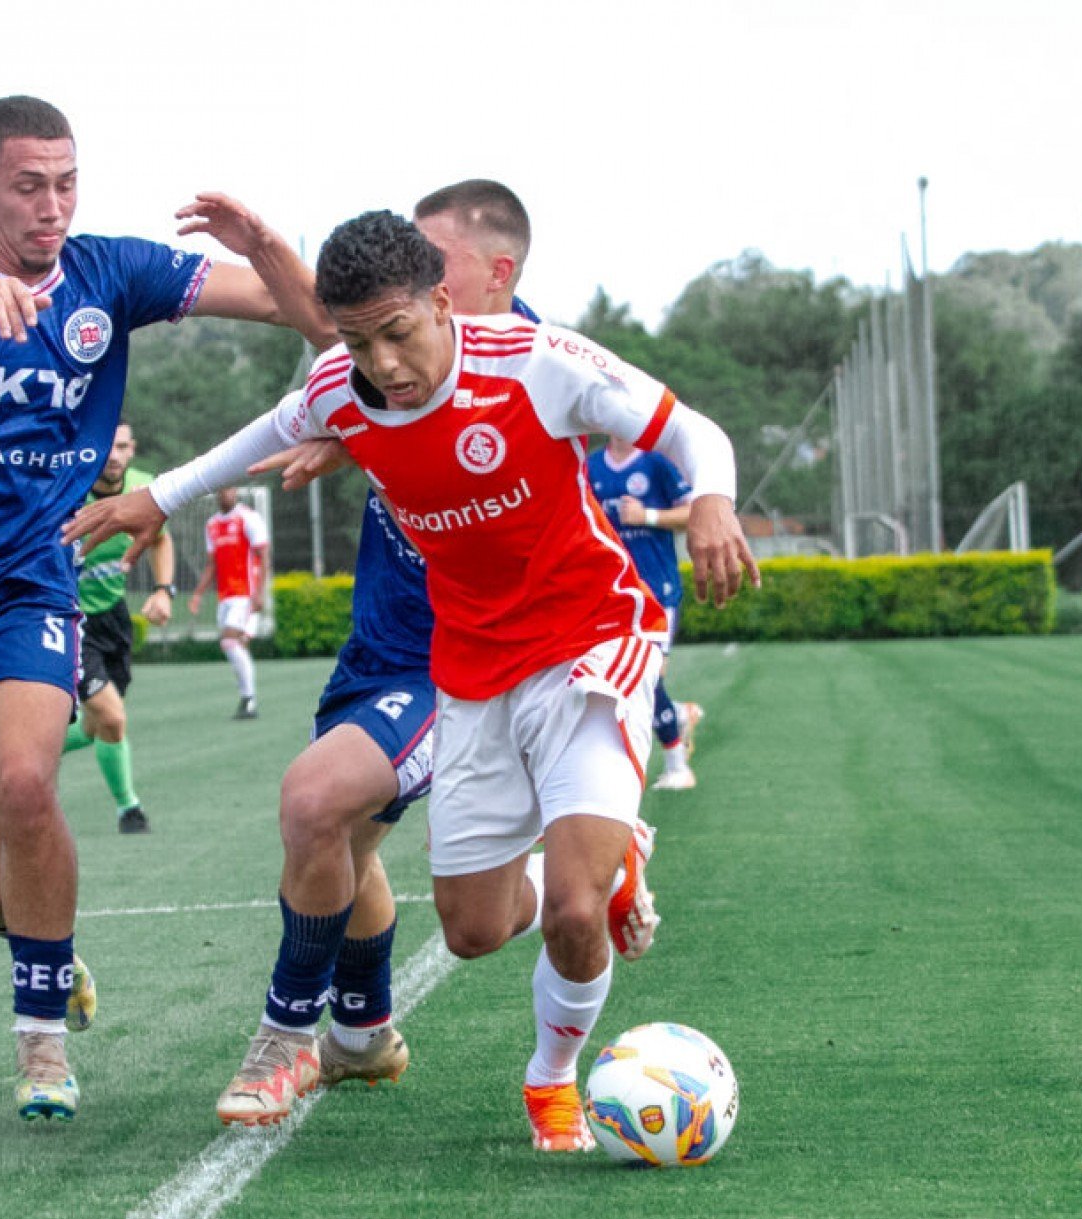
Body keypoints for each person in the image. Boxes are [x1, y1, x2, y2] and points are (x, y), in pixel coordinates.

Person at [70, 209, 756, 1151]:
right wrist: (155, 497)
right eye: (360, 341)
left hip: (589, 644)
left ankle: (552, 1081)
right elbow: (253, 438)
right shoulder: (343, 390)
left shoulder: (535, 360)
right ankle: (605, 858)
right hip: (470, 674)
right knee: (475, 930)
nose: (384, 362)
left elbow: (694, 432)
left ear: (443, 300)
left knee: (570, 916)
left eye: (399, 333)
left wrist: (712, 502)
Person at [0, 94, 328, 1123]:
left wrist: (266, 245)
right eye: (27, 185)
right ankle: (51, 954)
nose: (51, 205)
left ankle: (41, 1046)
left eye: (66, 182)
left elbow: (311, 315)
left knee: (26, 781)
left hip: (31, 573)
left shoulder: (113, 272)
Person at [198, 180, 546, 1127]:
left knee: (318, 803)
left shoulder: (536, 364)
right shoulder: (386, 361)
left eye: (435, 264)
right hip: (378, 649)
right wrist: (269, 246)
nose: (418, 279)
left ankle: (284, 1041)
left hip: (463, 664)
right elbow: (329, 333)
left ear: (487, 277)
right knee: (359, 851)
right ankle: (363, 1036)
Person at [63, 421, 174, 834]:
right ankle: (130, 809)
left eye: (122, 447)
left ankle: (19, 758)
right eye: (106, 446)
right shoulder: (69, 491)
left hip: (114, 617)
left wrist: (164, 590)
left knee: (97, 727)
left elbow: (160, 539)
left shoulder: (144, 489)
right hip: (72, 621)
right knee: (112, 718)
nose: (113, 456)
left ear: (132, 450)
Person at [588, 434, 707, 789]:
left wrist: (647, 515)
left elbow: (694, 513)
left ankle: (677, 766)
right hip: (611, 594)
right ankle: (678, 716)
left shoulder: (657, 462)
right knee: (614, 682)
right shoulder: (591, 465)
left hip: (657, 591)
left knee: (649, 678)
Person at [188, 485, 269, 718]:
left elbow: (264, 556)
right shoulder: (212, 525)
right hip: (225, 596)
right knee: (237, 644)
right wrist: (198, 593)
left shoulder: (248, 518)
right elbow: (211, 564)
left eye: (231, 489)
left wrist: (260, 593)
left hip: (245, 593)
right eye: (222, 489)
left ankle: (249, 699)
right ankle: (247, 700)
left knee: (229, 642)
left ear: (236, 491)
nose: (227, 493)